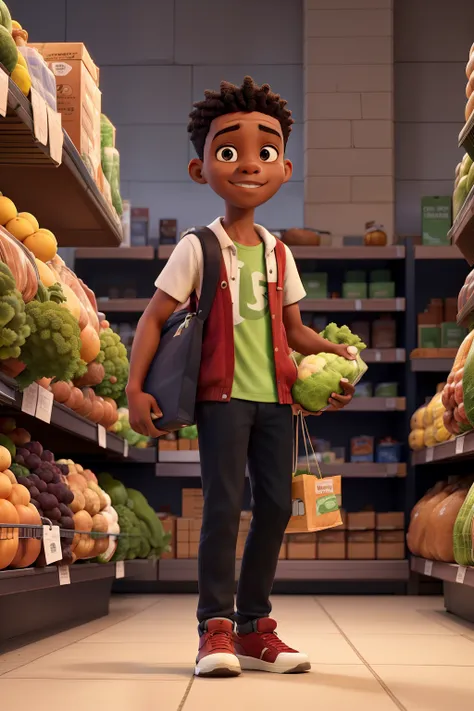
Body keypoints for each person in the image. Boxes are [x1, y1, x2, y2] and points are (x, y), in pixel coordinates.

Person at [127, 77, 355, 679]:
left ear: (284, 167)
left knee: (276, 507)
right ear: (201, 168)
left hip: (278, 400)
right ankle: (215, 627)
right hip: (222, 401)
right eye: (229, 152)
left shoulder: (280, 252)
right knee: (225, 508)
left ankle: (256, 627)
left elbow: (296, 331)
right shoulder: (198, 246)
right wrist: (133, 387)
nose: (248, 164)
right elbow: (153, 320)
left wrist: (336, 355)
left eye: (265, 152)